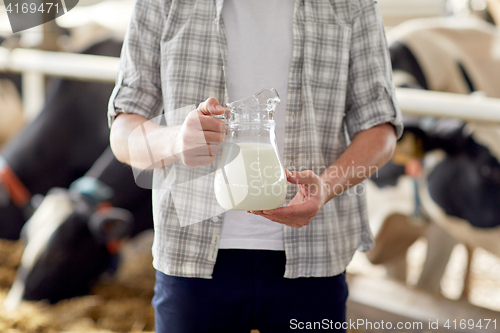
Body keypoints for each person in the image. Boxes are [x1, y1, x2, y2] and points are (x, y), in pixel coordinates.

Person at [108, 0, 403, 331]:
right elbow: (122, 132)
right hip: (190, 257)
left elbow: (381, 129)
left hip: (314, 258)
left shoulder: (351, 4)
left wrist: (326, 188)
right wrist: (176, 141)